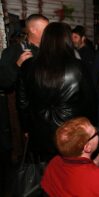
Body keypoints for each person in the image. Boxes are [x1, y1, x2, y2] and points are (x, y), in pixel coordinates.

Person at [17, 22, 97, 162]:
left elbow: (22, 103)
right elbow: (90, 102)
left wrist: (26, 128)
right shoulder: (78, 66)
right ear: (67, 39)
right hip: (70, 131)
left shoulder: (28, 65)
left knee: (45, 171)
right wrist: (90, 129)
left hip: (39, 129)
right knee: (70, 171)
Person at [0, 14, 48, 196]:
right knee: (26, 157)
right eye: (45, 28)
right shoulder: (13, 52)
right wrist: (18, 65)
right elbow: (3, 81)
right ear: (33, 30)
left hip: (45, 112)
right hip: (23, 112)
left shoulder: (47, 51)